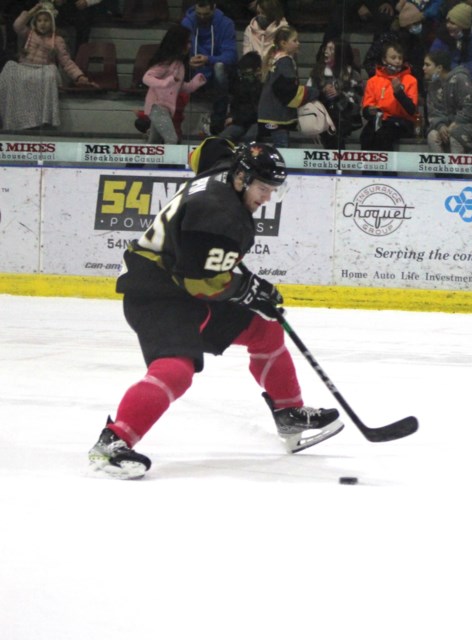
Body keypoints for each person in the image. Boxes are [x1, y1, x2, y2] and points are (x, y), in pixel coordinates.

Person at [88, 142, 343, 480]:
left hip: (182, 280)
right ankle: (113, 443)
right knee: (177, 370)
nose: (267, 198)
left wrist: (251, 290)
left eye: (273, 190)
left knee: (265, 329)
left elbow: (206, 150)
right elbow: (201, 283)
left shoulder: (223, 168)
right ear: (241, 178)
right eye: (263, 188)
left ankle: (289, 413)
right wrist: (248, 289)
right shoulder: (218, 216)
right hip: (156, 291)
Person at [0, 2, 97, 131]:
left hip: (42, 69)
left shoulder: (57, 40)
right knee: (9, 67)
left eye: (46, 20)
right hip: (25, 67)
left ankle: (39, 120)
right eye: (39, 20)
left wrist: (79, 76)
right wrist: (32, 11)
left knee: (50, 72)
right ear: (35, 22)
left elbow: (66, 62)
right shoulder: (29, 33)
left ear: (52, 23)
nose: (43, 23)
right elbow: (17, 25)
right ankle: (10, 115)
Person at [141, 25, 208, 145]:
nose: (189, 46)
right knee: (171, 139)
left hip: (165, 109)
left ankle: (136, 164)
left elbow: (180, 87)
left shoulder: (179, 65)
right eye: (186, 42)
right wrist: (166, 82)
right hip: (157, 107)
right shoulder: (166, 62)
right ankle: (169, 164)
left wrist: (195, 83)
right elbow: (147, 78)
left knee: (153, 143)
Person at [182, 0, 238, 135]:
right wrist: (186, 60)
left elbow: (231, 56)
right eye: (198, 13)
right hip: (193, 70)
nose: (201, 17)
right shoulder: (187, 23)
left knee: (219, 67)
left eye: (206, 14)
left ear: (214, 9)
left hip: (216, 72)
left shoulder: (226, 24)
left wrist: (209, 60)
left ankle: (218, 120)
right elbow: (178, 49)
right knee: (177, 63)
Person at [257, 25, 318, 148]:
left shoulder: (276, 58)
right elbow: (289, 92)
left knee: (279, 146)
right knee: (282, 149)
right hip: (277, 114)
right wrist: (313, 92)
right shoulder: (285, 62)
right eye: (294, 41)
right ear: (283, 43)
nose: (298, 43)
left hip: (270, 112)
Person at [423, 49, 472, 153]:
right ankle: (439, 169)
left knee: (455, 135)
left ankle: (456, 168)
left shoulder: (460, 79)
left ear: (439, 68)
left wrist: (456, 123)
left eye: (427, 65)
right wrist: (440, 125)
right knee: (432, 136)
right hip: (446, 124)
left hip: (468, 123)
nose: (423, 68)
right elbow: (433, 111)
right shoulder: (432, 86)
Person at [308, 36, 366, 151]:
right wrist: (322, 93)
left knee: (334, 129)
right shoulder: (317, 73)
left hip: (345, 119)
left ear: (340, 54)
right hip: (321, 118)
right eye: (326, 48)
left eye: (331, 49)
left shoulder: (353, 75)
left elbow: (356, 104)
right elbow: (308, 98)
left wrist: (339, 95)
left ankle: (336, 163)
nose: (326, 52)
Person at [360, 41, 419, 151]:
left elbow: (411, 110)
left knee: (384, 134)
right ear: (384, 60)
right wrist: (370, 110)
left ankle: (387, 168)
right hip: (380, 120)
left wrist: (399, 93)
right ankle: (368, 168)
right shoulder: (373, 81)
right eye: (393, 57)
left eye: (400, 58)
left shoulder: (411, 80)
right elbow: (366, 109)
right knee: (366, 135)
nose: (397, 61)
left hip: (402, 122)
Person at [429, 3, 472, 88]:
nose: (448, 25)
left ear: (464, 25)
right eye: (448, 22)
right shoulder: (442, 37)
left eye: (453, 23)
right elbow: (433, 58)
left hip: (470, 80)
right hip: (445, 76)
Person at [222, 50, 262, 143]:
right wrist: (233, 117)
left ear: (258, 70)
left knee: (250, 137)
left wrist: (235, 118)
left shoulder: (263, 87)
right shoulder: (239, 85)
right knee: (223, 138)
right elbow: (235, 106)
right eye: (243, 73)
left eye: (248, 72)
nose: (245, 76)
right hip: (240, 122)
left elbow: (257, 112)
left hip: (258, 123)